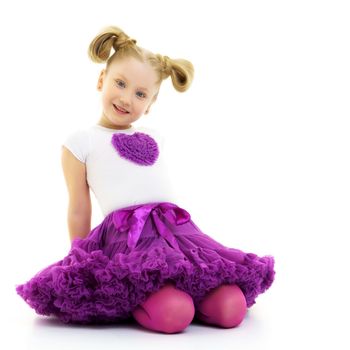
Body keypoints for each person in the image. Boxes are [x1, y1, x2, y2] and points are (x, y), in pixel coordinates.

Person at [15, 25, 275, 334]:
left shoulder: (155, 137)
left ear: (150, 104)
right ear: (102, 80)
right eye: (120, 84)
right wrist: (79, 256)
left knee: (231, 307)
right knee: (175, 314)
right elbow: (78, 207)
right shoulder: (82, 141)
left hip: (176, 232)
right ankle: (143, 301)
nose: (127, 98)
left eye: (140, 94)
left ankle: (188, 294)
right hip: (128, 238)